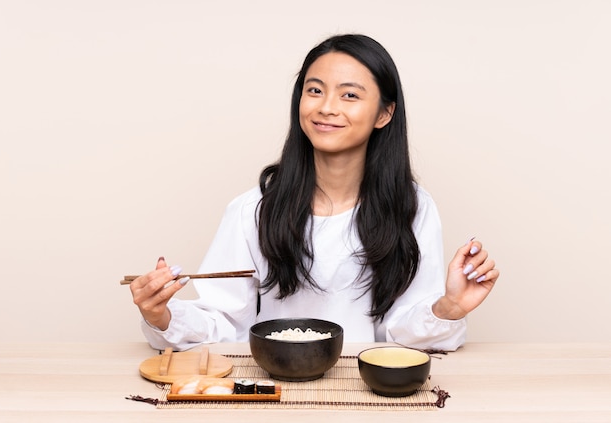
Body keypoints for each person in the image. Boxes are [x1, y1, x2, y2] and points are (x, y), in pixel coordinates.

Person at [129, 34, 499, 352]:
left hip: (370, 392)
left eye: (349, 95)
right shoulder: (254, 210)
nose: (326, 107)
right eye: (315, 90)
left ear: (384, 113)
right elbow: (224, 323)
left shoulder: (412, 207)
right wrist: (161, 315)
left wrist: (448, 307)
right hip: (275, 387)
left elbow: (399, 334)